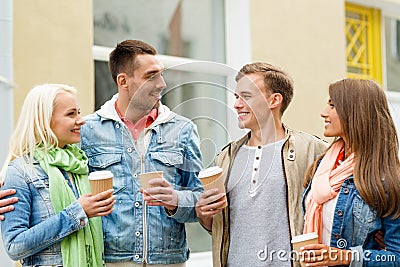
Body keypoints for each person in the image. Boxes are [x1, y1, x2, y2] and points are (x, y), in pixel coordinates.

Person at [79, 40, 203, 266]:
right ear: (123, 81)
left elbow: (202, 199)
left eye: (161, 75)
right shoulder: (87, 131)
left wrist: (175, 200)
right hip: (109, 260)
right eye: (151, 76)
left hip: (169, 261)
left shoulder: (182, 130)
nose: (162, 84)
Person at [195, 62, 328, 267]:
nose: (237, 104)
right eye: (236, 97)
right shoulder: (225, 158)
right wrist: (204, 214)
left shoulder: (313, 150)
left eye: (246, 96)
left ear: (274, 100)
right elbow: (217, 227)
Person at [0, 84, 115, 267]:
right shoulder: (20, 172)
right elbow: (15, 246)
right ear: (44, 120)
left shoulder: (79, 164)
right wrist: (77, 213)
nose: (81, 120)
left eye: (79, 112)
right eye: (71, 114)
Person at [301, 78, 400, 266]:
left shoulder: (386, 180)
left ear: (355, 112)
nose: (324, 113)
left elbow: (397, 257)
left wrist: (345, 257)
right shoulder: (323, 165)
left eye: (333, 105)